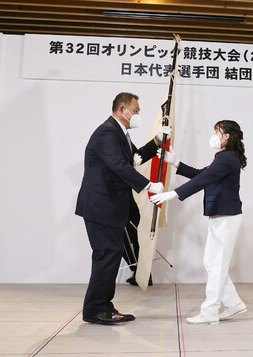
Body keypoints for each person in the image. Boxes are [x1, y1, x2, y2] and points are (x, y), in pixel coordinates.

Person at [75, 92, 168, 325]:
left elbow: (134, 157)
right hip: (101, 207)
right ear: (122, 110)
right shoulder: (107, 132)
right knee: (106, 256)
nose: (137, 115)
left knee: (110, 256)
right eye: (135, 110)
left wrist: (156, 141)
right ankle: (96, 309)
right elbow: (118, 165)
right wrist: (148, 185)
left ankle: (103, 306)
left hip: (110, 207)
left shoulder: (120, 133)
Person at [151, 120, 247, 325]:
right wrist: (176, 162)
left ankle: (210, 311)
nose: (213, 135)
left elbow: (203, 180)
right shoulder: (224, 158)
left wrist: (173, 194)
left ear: (226, 136)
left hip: (227, 217)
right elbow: (201, 175)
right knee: (213, 263)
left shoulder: (228, 158)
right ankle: (234, 303)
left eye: (216, 131)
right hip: (221, 216)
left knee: (217, 265)